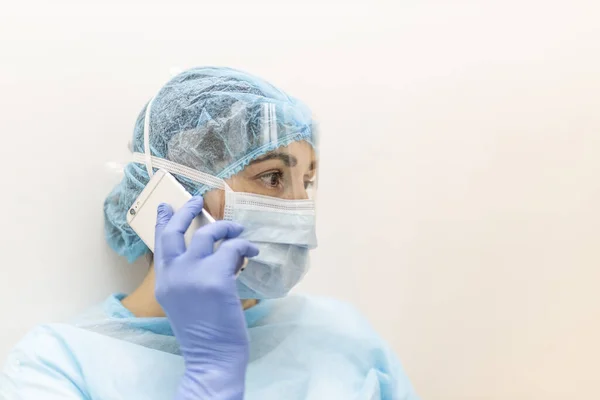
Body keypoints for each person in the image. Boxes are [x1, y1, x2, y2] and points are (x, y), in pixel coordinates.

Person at [0, 67, 419, 399]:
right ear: (173, 193)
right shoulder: (58, 366)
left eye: (306, 182)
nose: (299, 209)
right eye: (273, 177)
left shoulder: (346, 336)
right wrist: (211, 376)